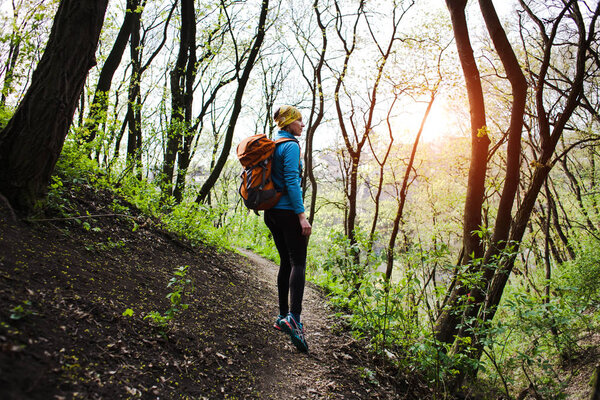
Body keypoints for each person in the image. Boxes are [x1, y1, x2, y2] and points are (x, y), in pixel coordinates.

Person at [265, 105, 312, 353]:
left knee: (285, 262)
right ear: (289, 122)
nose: (302, 125)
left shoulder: (273, 144)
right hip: (287, 212)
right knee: (298, 263)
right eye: (300, 121)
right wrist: (301, 216)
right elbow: (293, 182)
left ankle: (283, 316)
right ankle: (294, 318)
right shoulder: (291, 146)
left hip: (271, 213)